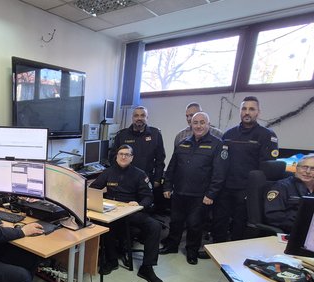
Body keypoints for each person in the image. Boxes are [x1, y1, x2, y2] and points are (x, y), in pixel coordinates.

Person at [91, 145, 163, 282]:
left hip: (131, 212)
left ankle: (147, 267)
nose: (123, 157)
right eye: (121, 154)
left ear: (132, 158)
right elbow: (93, 189)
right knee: (105, 225)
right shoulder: (108, 172)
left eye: (127, 154)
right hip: (112, 212)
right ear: (116, 156)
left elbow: (148, 197)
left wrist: (139, 204)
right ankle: (111, 261)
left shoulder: (139, 174)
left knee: (155, 226)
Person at [161, 112, 228, 264]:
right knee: (175, 222)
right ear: (191, 124)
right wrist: (167, 186)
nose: (198, 126)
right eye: (195, 122)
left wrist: (211, 194)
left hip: (200, 195)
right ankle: (172, 246)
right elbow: (172, 167)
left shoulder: (217, 144)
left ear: (208, 124)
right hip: (179, 192)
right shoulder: (183, 142)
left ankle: (192, 251)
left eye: (202, 122)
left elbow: (219, 173)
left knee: (194, 224)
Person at [213, 96, 279, 242]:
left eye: (251, 109)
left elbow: (266, 168)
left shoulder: (267, 135)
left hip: (247, 190)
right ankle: (215, 249)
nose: (247, 112)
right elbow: (221, 161)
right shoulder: (229, 134)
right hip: (225, 187)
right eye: (244, 108)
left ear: (258, 112)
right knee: (219, 222)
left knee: (240, 225)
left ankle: (234, 253)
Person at [109, 106, 165, 188]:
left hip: (146, 179)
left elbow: (160, 159)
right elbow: (113, 158)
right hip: (125, 179)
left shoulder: (155, 134)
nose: (139, 118)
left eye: (142, 115)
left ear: (147, 118)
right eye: (136, 115)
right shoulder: (122, 135)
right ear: (132, 118)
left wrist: (157, 179)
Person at [264, 154, 314, 232]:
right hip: (292, 231)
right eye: (304, 167)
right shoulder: (281, 187)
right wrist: (302, 225)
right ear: (297, 168)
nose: (307, 171)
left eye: (313, 169)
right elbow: (274, 216)